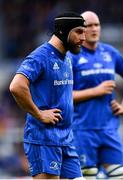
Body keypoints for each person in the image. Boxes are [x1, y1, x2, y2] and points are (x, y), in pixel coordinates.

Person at [9, 12, 86, 179]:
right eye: (79, 31)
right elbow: (16, 86)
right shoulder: (40, 56)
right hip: (44, 140)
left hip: (66, 139)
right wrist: (39, 114)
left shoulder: (66, 58)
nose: (84, 37)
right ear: (63, 32)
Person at [68, 11, 123, 179]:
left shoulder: (110, 53)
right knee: (88, 176)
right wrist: (96, 91)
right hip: (82, 130)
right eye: (88, 26)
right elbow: (62, 96)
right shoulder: (72, 57)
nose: (94, 29)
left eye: (97, 25)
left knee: (121, 176)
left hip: (109, 128)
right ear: (80, 30)